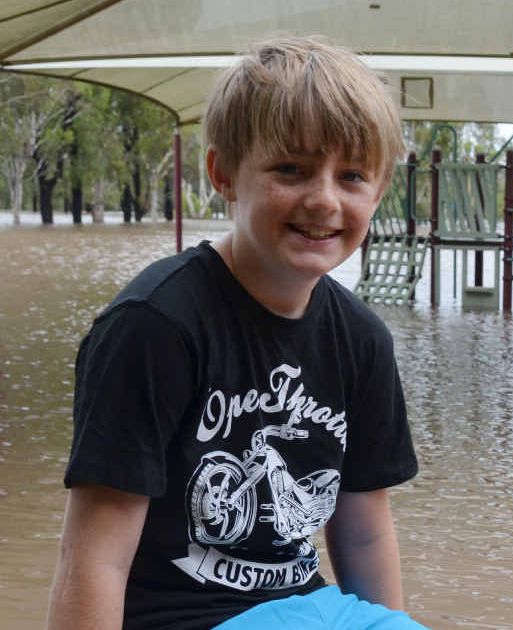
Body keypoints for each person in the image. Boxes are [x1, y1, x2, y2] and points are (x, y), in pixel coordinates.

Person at [46, 37, 424, 630]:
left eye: (351, 176)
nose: (324, 199)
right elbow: (94, 555)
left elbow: (365, 532)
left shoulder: (362, 339)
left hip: (311, 609)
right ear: (224, 173)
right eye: (290, 169)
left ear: (377, 193)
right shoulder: (153, 327)